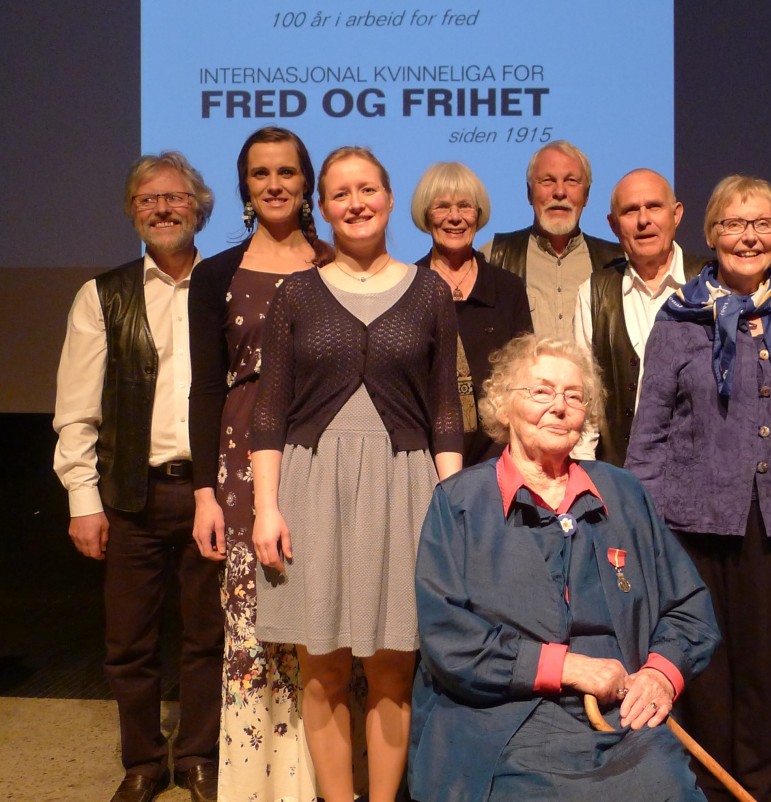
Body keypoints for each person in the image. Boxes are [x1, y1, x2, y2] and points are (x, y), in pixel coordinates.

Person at [410, 334, 720, 802]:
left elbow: (689, 608)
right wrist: (568, 667)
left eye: (574, 396)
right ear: (503, 405)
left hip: (621, 718)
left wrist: (661, 673)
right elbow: (448, 639)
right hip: (501, 721)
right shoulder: (459, 504)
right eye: (541, 391)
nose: (559, 406)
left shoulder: (624, 494)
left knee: (667, 787)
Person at [249, 146, 463, 802]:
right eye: (340, 193)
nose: (356, 203)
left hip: (406, 490)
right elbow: (270, 412)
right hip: (312, 490)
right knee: (322, 672)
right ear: (322, 209)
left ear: (391, 199)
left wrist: (452, 509)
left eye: (367, 189)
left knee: (395, 668)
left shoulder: (429, 290)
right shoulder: (296, 293)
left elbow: (446, 415)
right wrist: (266, 508)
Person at [625, 175, 771, 802]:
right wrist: (640, 526)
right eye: (734, 224)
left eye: (761, 224)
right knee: (702, 665)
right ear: (710, 234)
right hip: (690, 523)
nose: (748, 236)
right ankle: (706, 783)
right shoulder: (678, 319)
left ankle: (754, 787)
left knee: (762, 666)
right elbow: (648, 433)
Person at [53, 152, 223, 802]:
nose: (162, 208)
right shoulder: (101, 296)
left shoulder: (227, 285)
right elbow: (76, 412)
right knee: (129, 642)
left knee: (210, 635)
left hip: (210, 493)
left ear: (197, 207)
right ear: (132, 212)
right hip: (132, 495)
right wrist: (81, 499)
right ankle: (144, 762)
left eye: (174, 197)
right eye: (148, 200)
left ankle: (200, 756)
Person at [189, 126, 332, 802]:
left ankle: (328, 773)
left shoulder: (340, 262)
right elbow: (205, 387)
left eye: (286, 172)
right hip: (242, 463)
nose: (274, 184)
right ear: (245, 186)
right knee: (255, 613)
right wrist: (203, 493)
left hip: (326, 449)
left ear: (306, 183)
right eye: (259, 173)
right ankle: (264, 785)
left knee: (326, 608)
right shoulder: (216, 274)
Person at [572, 168, 703, 466]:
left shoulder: (711, 283)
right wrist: (587, 473)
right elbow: (585, 395)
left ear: (676, 214)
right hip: (620, 478)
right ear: (613, 225)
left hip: (700, 481)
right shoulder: (593, 293)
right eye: (631, 211)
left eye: (654, 207)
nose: (644, 220)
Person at [411, 161, 533, 465]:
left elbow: (524, 375)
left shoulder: (507, 288)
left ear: (478, 215)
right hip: (423, 454)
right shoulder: (407, 287)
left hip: (498, 457)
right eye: (442, 207)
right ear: (426, 216)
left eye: (465, 206)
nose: (454, 217)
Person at [479, 141, 622, 341]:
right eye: (547, 181)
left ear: (587, 195)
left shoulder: (617, 264)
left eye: (571, 181)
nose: (560, 192)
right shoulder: (493, 257)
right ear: (529, 193)